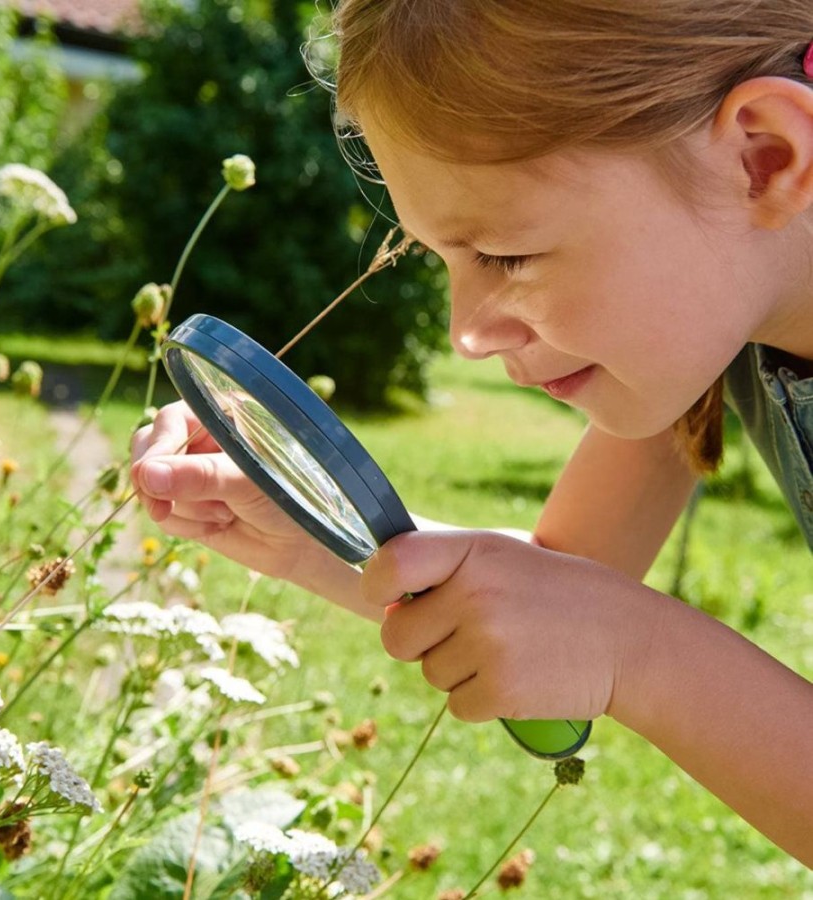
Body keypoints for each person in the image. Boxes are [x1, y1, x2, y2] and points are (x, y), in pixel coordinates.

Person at [131, 0, 813, 865]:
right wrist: (317, 536)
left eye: (506, 255)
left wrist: (640, 649)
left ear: (764, 158)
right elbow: (565, 585)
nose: (466, 333)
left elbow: (599, 617)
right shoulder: (714, 328)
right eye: (441, 256)